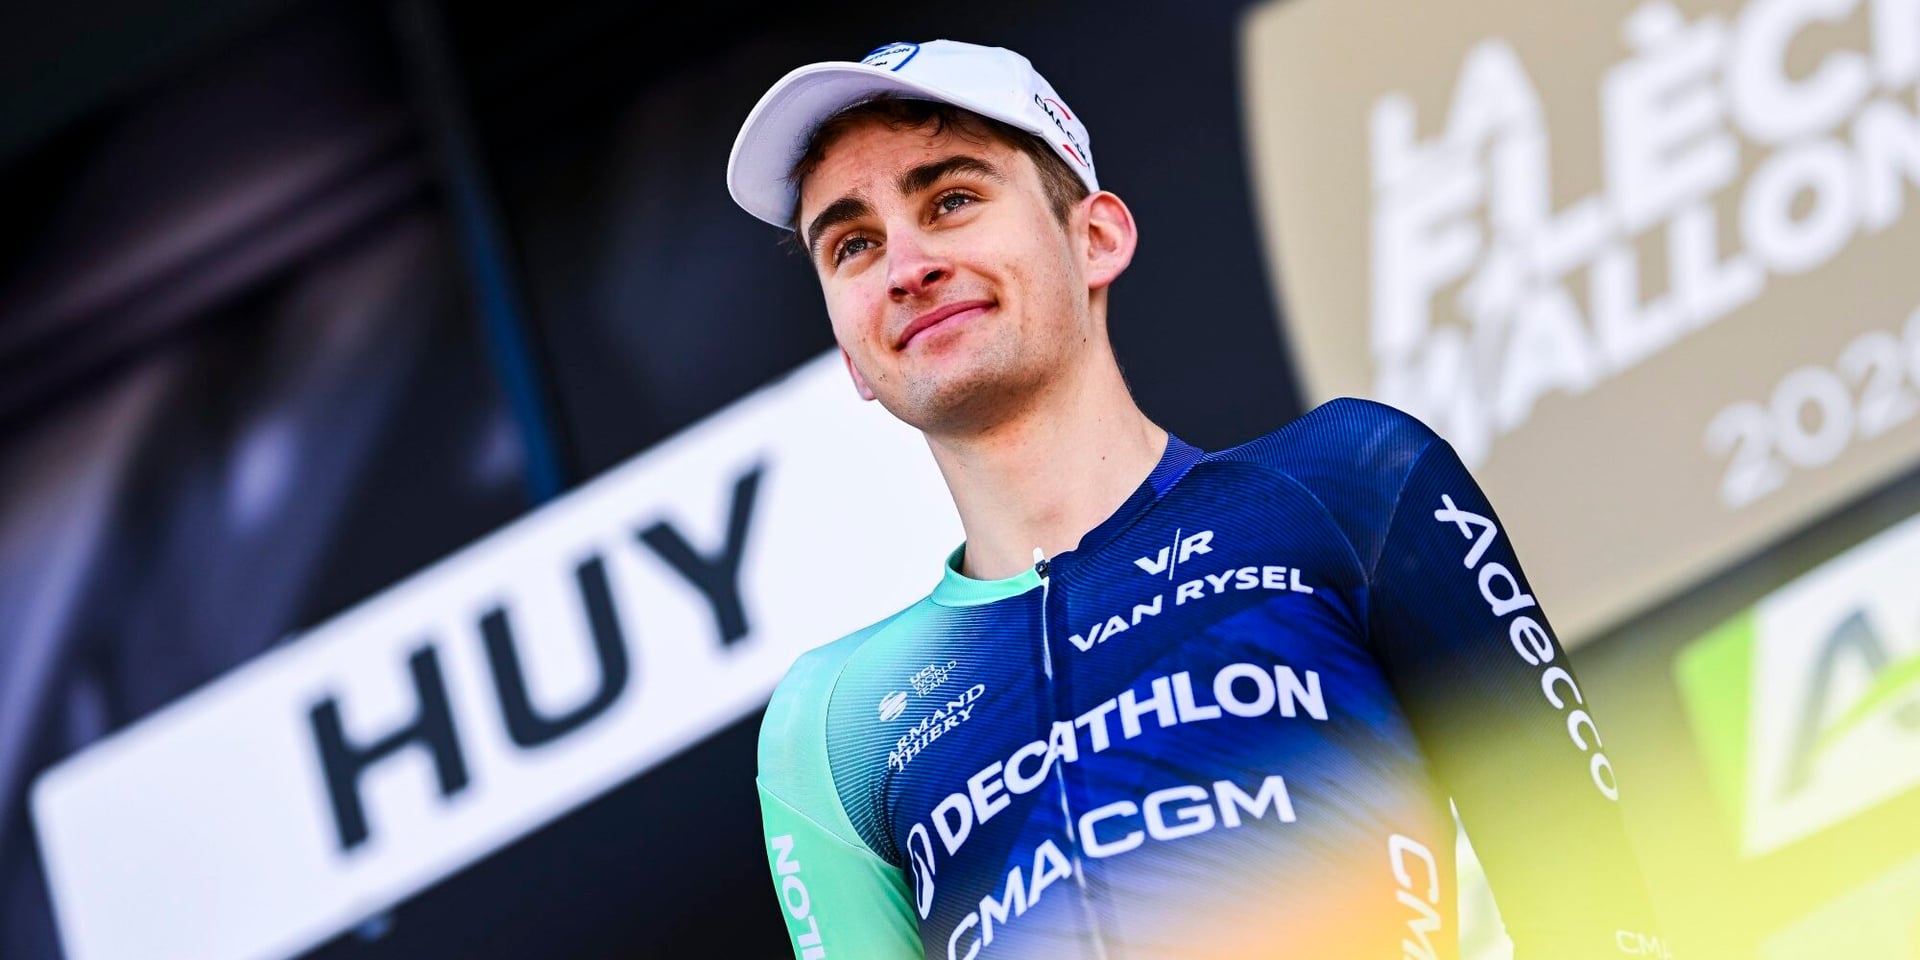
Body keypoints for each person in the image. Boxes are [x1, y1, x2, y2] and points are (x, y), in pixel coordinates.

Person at [727, 39, 1668, 960]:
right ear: (851, 356)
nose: (906, 266)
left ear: (1095, 238)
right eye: (854, 245)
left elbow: (1597, 911)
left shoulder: (1345, 486)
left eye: (953, 200)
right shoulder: (831, 723)